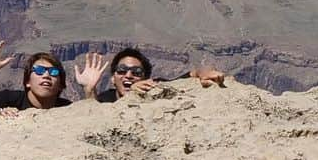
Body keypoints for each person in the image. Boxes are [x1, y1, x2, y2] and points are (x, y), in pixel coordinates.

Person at [0, 36, 72, 117]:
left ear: (61, 85)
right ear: (27, 82)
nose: (46, 75)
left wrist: (89, 92)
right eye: (39, 70)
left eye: (53, 72)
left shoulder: (69, 109)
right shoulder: (8, 99)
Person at [78, 47, 226, 102]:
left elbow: (189, 75)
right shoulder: (106, 98)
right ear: (112, 79)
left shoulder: (156, 88)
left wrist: (204, 72)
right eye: (122, 71)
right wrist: (89, 88)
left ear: (145, 78)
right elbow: (93, 113)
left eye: (136, 72)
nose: (128, 75)